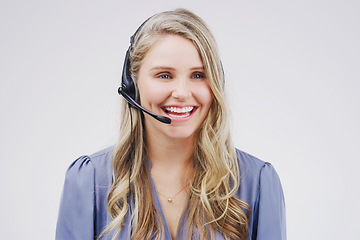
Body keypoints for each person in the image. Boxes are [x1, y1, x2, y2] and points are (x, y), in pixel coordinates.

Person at [56, 8, 286, 240]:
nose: (182, 93)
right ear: (132, 84)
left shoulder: (258, 183)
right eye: (164, 75)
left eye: (198, 75)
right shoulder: (89, 181)